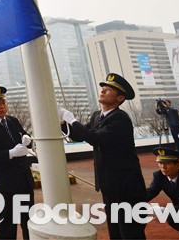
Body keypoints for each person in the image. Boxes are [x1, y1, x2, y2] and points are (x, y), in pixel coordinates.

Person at [59, 73, 146, 240]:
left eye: (109, 89)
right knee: (115, 232)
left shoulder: (120, 118)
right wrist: (63, 123)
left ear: (120, 98)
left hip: (127, 187)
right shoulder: (97, 116)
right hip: (109, 185)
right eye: (103, 87)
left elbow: (95, 138)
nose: (103, 90)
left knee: (130, 233)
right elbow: (79, 135)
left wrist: (72, 119)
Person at [0, 86, 35, 240]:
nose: (2, 106)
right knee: (7, 224)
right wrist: (11, 153)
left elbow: (25, 139)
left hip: (24, 180)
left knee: (28, 222)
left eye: (3, 103)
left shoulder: (13, 121)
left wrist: (28, 141)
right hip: (6, 184)